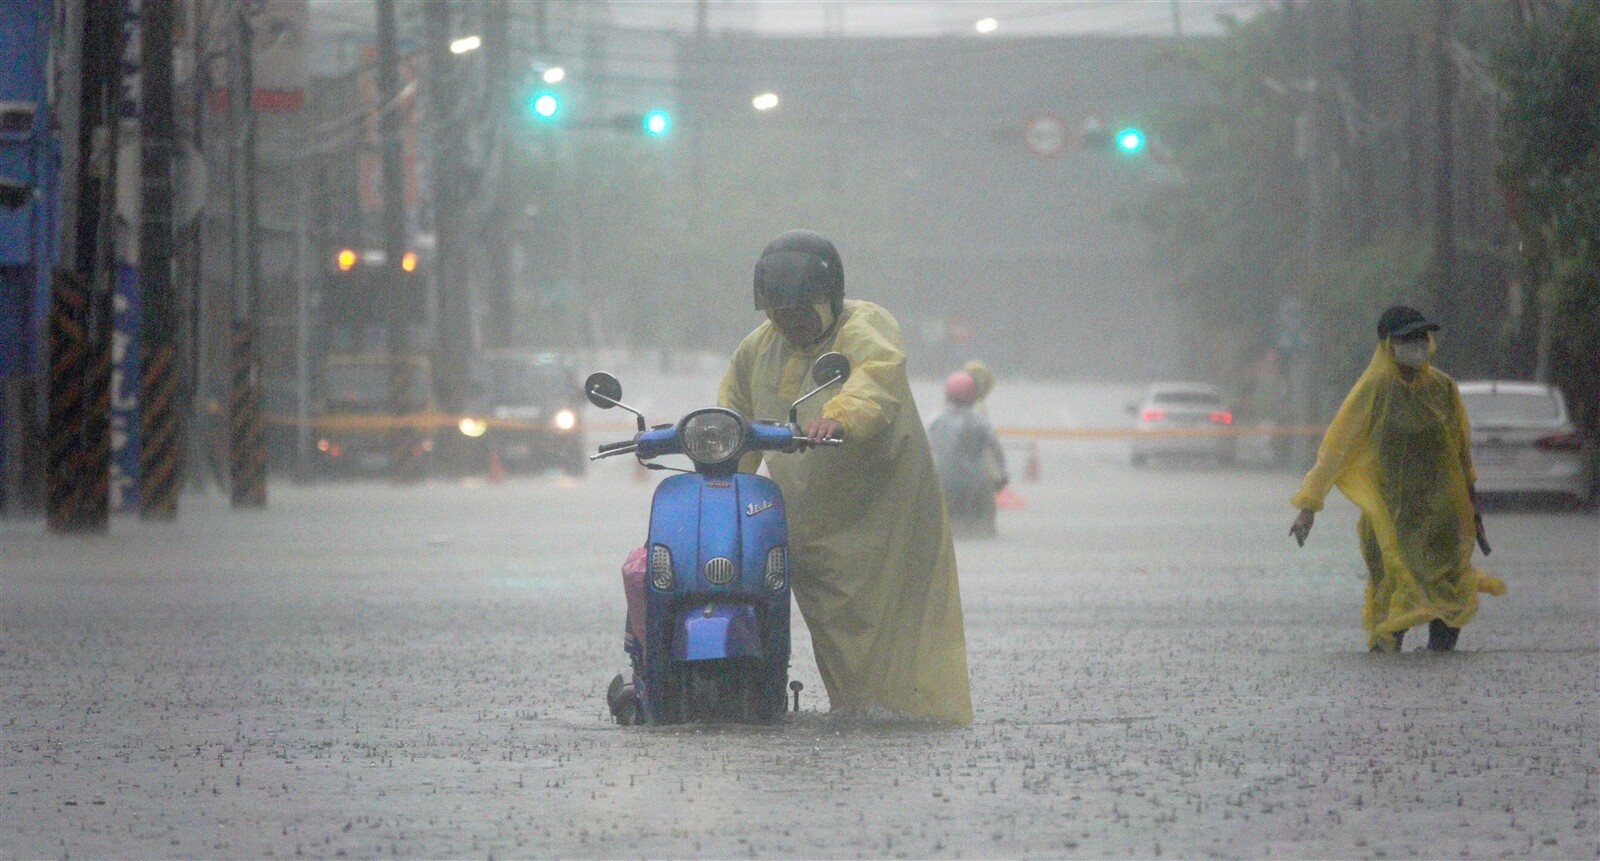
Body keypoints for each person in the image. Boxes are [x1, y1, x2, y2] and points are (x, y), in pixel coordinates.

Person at [718, 229, 973, 724]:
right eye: (779, 313)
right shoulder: (757, 348)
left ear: (828, 299)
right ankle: (860, 715)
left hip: (883, 516)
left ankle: (917, 716)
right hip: (810, 523)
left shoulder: (864, 323)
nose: (789, 323)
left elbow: (877, 375)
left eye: (800, 311)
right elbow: (735, 413)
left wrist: (840, 414)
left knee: (894, 624)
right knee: (836, 631)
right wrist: (718, 466)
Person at [1288, 305, 1505, 652]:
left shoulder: (1443, 388)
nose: (1418, 345)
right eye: (1408, 339)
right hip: (1392, 517)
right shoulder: (1374, 390)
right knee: (1394, 591)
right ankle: (1387, 667)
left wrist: (1474, 513)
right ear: (1389, 346)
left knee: (1448, 593)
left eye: (1422, 337)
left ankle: (1439, 661)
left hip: (1442, 516)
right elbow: (1336, 451)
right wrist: (1308, 506)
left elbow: (1462, 455)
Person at [928, 370, 1008, 538]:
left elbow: (924, 452)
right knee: (982, 533)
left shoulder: (935, 420)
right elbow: (996, 451)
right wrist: (1002, 477)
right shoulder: (980, 420)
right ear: (973, 395)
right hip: (976, 485)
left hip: (944, 484)